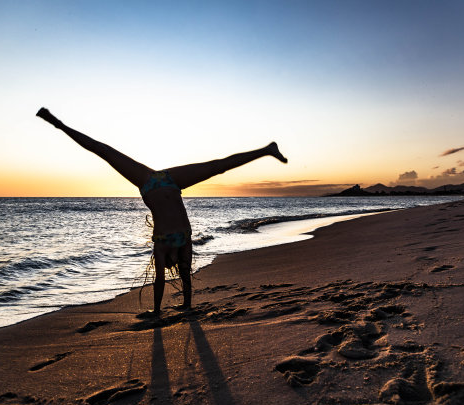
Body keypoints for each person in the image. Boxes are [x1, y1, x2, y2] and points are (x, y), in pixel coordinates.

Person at [36, 108, 287, 315]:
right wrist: (183, 307)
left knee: (104, 151)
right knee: (214, 167)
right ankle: (266, 150)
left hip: (152, 181)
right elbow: (176, 279)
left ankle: (59, 124)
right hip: (164, 180)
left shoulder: (166, 245)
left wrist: (159, 312)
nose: (171, 267)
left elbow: (162, 281)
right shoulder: (175, 245)